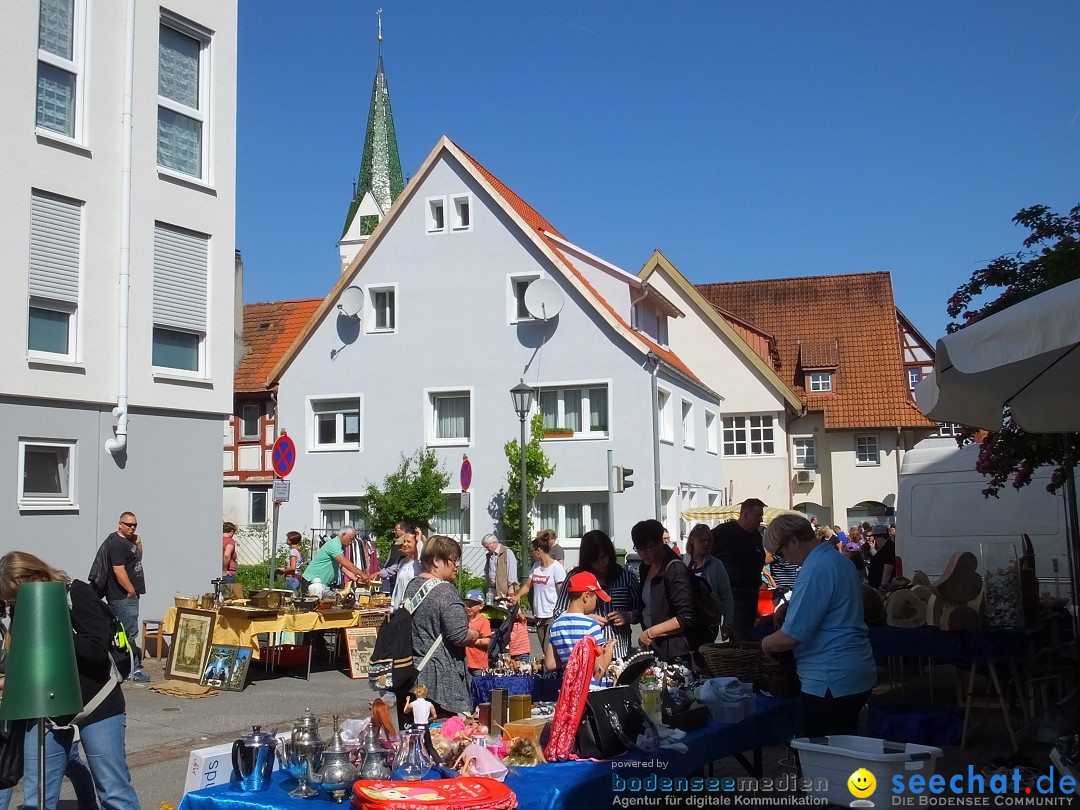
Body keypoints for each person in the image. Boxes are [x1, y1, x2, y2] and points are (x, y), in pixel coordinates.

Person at [0, 552, 141, 810]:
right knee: (37, 800)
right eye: (10, 599)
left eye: (15, 594)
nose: (13, 604)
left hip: (97, 703)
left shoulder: (77, 594)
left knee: (113, 792)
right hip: (48, 711)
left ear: (35, 576)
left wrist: (52, 624)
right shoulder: (21, 607)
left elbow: (97, 653)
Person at [760, 512, 875, 737]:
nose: (782, 559)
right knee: (844, 752)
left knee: (825, 761)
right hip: (853, 670)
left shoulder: (816, 569)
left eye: (780, 553)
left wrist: (762, 644)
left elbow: (791, 636)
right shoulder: (837, 560)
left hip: (829, 679)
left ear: (794, 540)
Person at [399, 535, 480, 721]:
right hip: (441, 679)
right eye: (454, 559)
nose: (457, 565)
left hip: (414, 671)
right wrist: (475, 634)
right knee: (443, 740)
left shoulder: (413, 586)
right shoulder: (445, 590)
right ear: (436, 561)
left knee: (416, 733)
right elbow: (458, 635)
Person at [553, 530, 641, 659]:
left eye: (604, 557)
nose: (601, 563)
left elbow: (642, 611)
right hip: (585, 655)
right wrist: (584, 618)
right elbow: (558, 612)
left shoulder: (626, 577)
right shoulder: (575, 577)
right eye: (595, 560)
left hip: (619, 653)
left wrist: (629, 616)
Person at [633, 519, 708, 666]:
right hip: (657, 648)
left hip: (678, 652)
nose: (644, 553)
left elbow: (686, 617)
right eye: (639, 549)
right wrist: (630, 616)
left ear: (661, 543)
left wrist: (650, 633)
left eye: (648, 547)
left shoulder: (675, 570)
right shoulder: (645, 567)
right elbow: (650, 607)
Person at [711, 499, 767, 642]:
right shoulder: (724, 532)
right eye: (758, 516)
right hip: (733, 593)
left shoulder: (756, 536)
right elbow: (702, 548)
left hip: (751, 592)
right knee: (743, 637)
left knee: (745, 633)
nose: (761, 520)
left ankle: (738, 660)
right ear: (745, 515)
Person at [104, 511, 150, 683]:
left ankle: (129, 667)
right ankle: (131, 669)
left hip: (130, 596)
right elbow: (118, 569)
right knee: (127, 633)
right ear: (120, 524)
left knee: (129, 631)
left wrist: (139, 544)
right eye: (128, 524)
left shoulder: (128, 542)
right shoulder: (117, 543)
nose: (132, 528)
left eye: (134, 525)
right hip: (122, 597)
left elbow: (137, 561)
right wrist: (130, 590)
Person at [545, 572, 616, 682]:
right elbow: (599, 672)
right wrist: (609, 650)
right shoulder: (591, 626)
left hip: (567, 689)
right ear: (586, 596)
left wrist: (570, 661)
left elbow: (550, 664)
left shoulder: (556, 625)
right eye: (596, 601)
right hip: (590, 690)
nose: (596, 605)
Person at [511, 535, 566, 652]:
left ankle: (552, 670)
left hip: (552, 615)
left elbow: (562, 592)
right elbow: (527, 585)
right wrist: (518, 595)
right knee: (544, 650)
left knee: (549, 650)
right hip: (539, 615)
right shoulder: (536, 567)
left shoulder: (557, 568)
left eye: (532, 551)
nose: (531, 554)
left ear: (539, 550)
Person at [682, 523, 735, 640]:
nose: (706, 543)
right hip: (684, 623)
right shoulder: (681, 563)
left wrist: (727, 624)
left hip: (709, 624)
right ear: (692, 541)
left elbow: (726, 597)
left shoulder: (716, 565)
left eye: (709, 540)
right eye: (702, 540)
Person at [300, 526, 370, 594]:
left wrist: (357, 580)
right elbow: (345, 563)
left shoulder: (339, 547)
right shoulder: (334, 544)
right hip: (312, 582)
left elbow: (343, 567)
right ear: (343, 535)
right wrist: (362, 574)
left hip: (321, 584)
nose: (351, 542)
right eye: (351, 539)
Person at [389, 525, 422, 611]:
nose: (405, 544)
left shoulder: (420, 564)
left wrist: (419, 541)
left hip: (412, 611)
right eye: (404, 541)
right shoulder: (402, 562)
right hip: (399, 611)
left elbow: (423, 558)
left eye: (408, 542)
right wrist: (392, 607)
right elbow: (397, 588)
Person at [481, 534, 518, 603]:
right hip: (493, 589)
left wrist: (511, 587)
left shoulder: (507, 552)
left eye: (487, 547)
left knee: (509, 611)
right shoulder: (490, 554)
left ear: (494, 542)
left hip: (506, 589)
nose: (487, 549)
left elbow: (512, 570)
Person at [463, 590, 491, 676]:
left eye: (471, 605)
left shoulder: (484, 621)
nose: (468, 607)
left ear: (481, 606)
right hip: (465, 661)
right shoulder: (463, 620)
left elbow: (486, 641)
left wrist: (470, 640)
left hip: (478, 663)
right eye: (467, 604)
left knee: (479, 685)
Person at [866, 524, 897, 590]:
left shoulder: (888, 549)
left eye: (875, 538)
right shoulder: (887, 547)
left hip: (880, 588)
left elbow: (888, 568)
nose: (875, 540)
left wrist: (883, 586)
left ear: (881, 536)